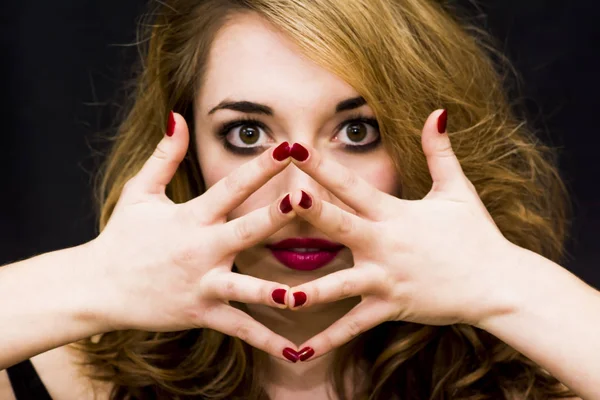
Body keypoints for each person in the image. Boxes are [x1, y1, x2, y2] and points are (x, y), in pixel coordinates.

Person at [1, 0, 598, 398]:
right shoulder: (59, 381)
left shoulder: (552, 368)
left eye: (358, 131)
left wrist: (505, 287)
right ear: (182, 147)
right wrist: (93, 281)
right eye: (248, 134)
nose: (301, 196)